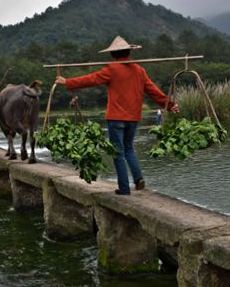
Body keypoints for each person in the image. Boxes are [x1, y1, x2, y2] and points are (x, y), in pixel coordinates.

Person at [56, 36, 179, 195]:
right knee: (129, 149)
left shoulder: (112, 69)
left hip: (116, 118)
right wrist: (170, 104)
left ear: (113, 54)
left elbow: (91, 79)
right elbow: (153, 91)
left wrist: (67, 82)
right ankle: (138, 177)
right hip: (133, 118)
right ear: (128, 52)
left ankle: (124, 188)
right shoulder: (139, 70)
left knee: (118, 153)